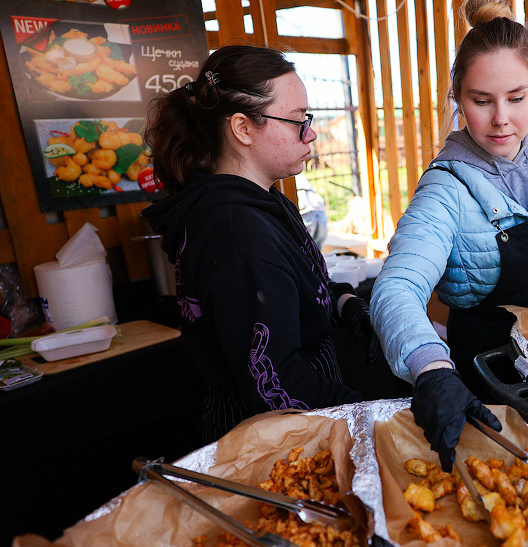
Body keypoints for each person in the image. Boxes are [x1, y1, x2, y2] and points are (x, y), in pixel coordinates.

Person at [370, 0, 528, 471]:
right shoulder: (446, 189)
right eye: (482, 101)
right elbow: (397, 287)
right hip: (486, 380)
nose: (501, 118)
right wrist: (431, 370)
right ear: (459, 98)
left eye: (517, 98)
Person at [143, 45, 378, 442]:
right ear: (243, 128)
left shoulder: (263, 200)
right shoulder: (236, 234)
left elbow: (299, 280)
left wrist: (343, 300)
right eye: (296, 120)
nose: (312, 132)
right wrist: (371, 419)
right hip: (271, 433)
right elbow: (277, 379)